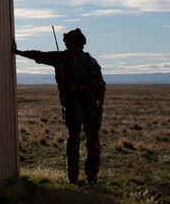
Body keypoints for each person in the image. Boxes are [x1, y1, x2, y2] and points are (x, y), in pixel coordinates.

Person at [14, 28, 106, 184]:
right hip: (90, 106)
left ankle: (73, 177)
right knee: (93, 142)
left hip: (72, 106)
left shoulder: (61, 58)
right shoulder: (91, 62)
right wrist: (100, 108)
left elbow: (38, 55)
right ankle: (92, 177)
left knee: (73, 140)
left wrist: (17, 51)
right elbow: (101, 86)